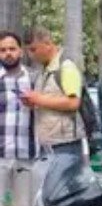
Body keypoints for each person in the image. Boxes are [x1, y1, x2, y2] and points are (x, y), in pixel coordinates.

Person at [22, 27, 86, 168]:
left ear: (48, 44)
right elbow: (49, 100)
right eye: (28, 51)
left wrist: (39, 99)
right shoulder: (44, 71)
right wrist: (33, 102)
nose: (31, 55)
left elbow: (73, 102)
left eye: (33, 49)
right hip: (48, 143)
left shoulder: (66, 67)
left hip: (65, 144)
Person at [0, 31, 36, 206]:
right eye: (3, 50)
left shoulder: (34, 78)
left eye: (12, 49)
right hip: (1, 154)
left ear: (20, 51)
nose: (8, 53)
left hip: (26, 154)